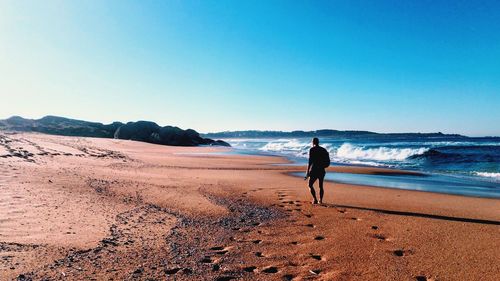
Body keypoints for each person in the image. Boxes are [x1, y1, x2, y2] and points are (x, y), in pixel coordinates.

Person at [304, 137, 330, 204]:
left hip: (314, 170)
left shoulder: (312, 149)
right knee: (321, 186)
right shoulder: (323, 149)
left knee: (310, 185)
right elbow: (328, 160)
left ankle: (315, 199)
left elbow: (310, 161)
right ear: (318, 142)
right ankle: (320, 200)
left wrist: (307, 171)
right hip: (321, 170)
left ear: (313, 142)